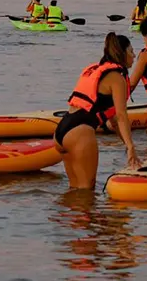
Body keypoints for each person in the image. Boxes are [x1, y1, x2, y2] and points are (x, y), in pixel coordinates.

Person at [54, 33, 140, 189]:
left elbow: (113, 120)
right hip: (80, 133)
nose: (134, 56)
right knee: (87, 191)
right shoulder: (117, 78)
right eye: (131, 51)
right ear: (122, 53)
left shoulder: (96, 70)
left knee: (75, 191)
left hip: (62, 131)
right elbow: (121, 116)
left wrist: (127, 146)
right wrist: (131, 147)